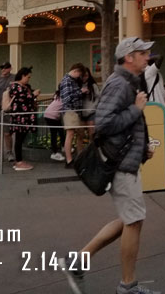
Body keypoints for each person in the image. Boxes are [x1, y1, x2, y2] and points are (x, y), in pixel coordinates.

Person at [64, 36, 158, 294]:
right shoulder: (119, 84)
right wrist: (136, 110)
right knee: (134, 219)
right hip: (120, 164)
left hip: (126, 160)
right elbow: (104, 124)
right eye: (142, 53)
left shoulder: (128, 82)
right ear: (129, 57)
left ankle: (80, 258)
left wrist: (141, 149)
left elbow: (124, 125)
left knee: (130, 218)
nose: (147, 57)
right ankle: (127, 285)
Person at [5, 67, 39, 172]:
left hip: (23, 116)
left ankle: (19, 160)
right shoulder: (16, 86)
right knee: (19, 138)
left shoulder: (20, 86)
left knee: (20, 138)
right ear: (23, 75)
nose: (29, 79)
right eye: (28, 77)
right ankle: (19, 161)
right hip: (21, 117)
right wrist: (33, 95)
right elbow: (22, 99)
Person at [59, 63, 86, 166]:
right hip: (70, 111)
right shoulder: (67, 81)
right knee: (70, 134)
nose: (79, 77)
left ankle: (70, 159)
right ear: (76, 71)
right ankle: (69, 160)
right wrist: (80, 92)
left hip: (74, 111)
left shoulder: (71, 80)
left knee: (73, 134)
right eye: (79, 74)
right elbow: (67, 98)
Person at [43, 89, 66, 161]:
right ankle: (57, 151)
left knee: (57, 132)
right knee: (56, 133)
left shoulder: (57, 96)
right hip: (52, 116)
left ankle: (59, 149)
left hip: (48, 114)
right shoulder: (64, 97)